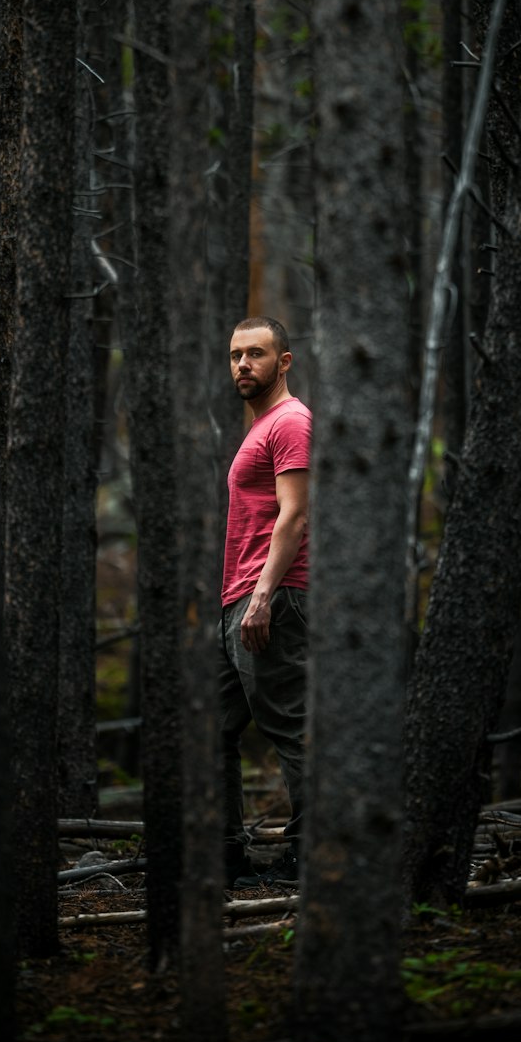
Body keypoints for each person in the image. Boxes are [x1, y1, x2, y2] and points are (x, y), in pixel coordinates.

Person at [219, 315, 311, 890]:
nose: (243, 364)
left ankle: (311, 856)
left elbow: (295, 515)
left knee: (291, 727)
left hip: (270, 598)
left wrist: (262, 597)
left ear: (284, 362)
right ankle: (224, 855)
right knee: (211, 727)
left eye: (256, 354)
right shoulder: (260, 427)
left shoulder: (291, 421)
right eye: (235, 355)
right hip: (240, 600)